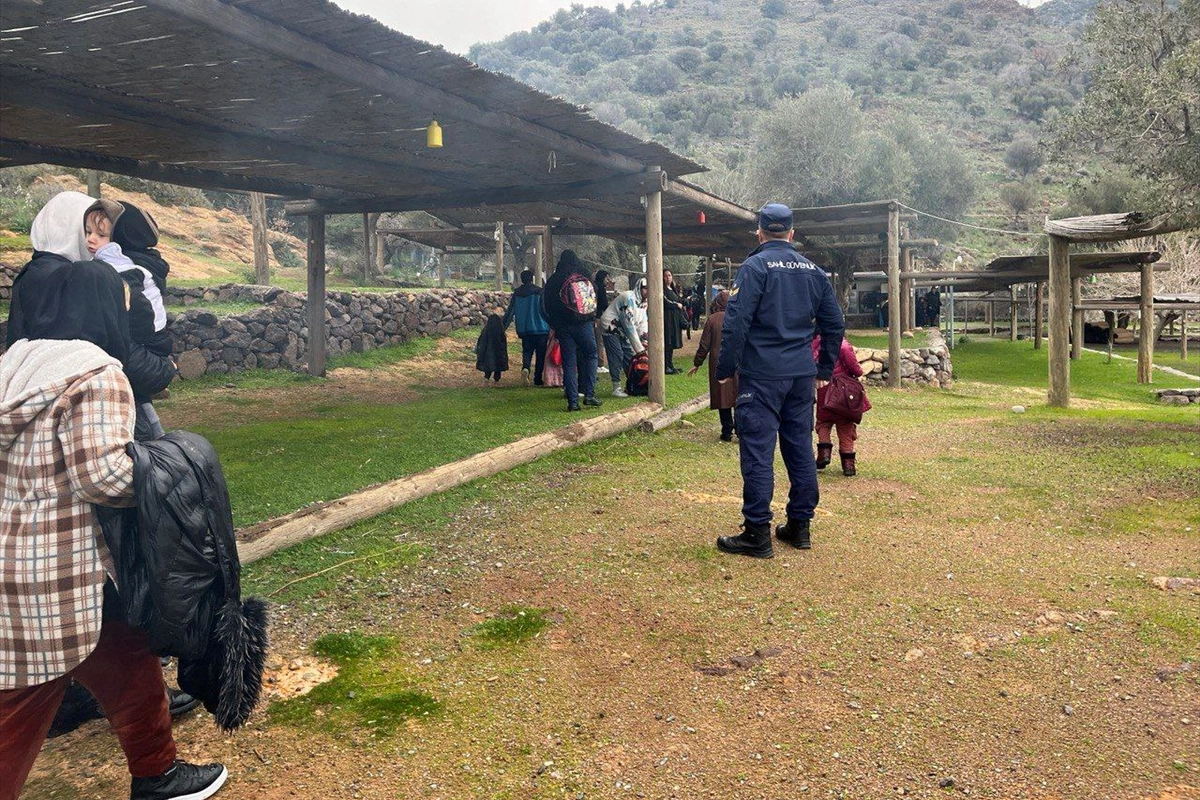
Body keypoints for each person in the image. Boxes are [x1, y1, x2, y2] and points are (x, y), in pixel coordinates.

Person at [0, 260, 228, 800]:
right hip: (64, 568)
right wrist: (171, 467)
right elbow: (102, 477)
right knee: (18, 706)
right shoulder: (97, 372)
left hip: (21, 557)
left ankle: (158, 774)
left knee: (128, 654)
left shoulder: (14, 365)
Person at [713, 203, 845, 558]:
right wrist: (823, 369)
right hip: (801, 376)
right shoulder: (814, 271)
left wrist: (725, 368)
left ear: (759, 231)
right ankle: (799, 527)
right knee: (799, 447)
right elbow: (835, 324)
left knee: (757, 449)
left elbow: (736, 322)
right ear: (791, 233)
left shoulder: (755, 266)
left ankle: (757, 532)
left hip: (761, 375)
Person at [542, 250, 601, 412]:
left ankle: (573, 402)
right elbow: (594, 295)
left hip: (563, 327)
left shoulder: (554, 279)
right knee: (591, 355)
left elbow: (546, 304)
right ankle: (589, 394)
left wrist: (554, 324)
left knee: (569, 362)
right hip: (584, 324)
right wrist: (592, 317)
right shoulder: (583, 273)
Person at [688, 290, 736, 441]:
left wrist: (697, 363)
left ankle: (727, 430)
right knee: (738, 395)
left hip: (719, 362)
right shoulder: (737, 317)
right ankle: (741, 431)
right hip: (737, 362)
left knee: (723, 396)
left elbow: (704, 345)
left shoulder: (712, 320)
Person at [813, 334, 864, 476]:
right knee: (845, 423)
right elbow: (850, 359)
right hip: (843, 389)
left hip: (824, 385)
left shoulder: (814, 343)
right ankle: (848, 465)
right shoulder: (840, 342)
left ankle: (824, 455)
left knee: (823, 421)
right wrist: (858, 372)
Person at [502, 269, 551, 386]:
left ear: (521, 279)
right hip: (541, 328)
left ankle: (526, 368)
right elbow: (545, 310)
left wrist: (502, 327)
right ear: (532, 278)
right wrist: (551, 323)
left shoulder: (517, 293)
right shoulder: (539, 292)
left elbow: (510, 312)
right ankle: (538, 378)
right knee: (540, 354)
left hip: (524, 329)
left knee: (527, 351)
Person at [594, 270, 630, 398]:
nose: (608, 280)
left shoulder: (597, 287)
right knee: (610, 349)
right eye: (607, 277)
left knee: (624, 350)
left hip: (606, 320)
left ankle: (631, 380)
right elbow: (602, 304)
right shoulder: (600, 289)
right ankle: (601, 365)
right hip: (603, 321)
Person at [475, 312, 509, 384]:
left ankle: (486, 378)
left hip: (487, 354)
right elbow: (504, 344)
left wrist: (479, 352)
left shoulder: (486, 331)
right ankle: (497, 380)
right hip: (499, 353)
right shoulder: (501, 332)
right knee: (498, 367)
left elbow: (481, 342)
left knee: (488, 367)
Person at [662, 269, 685, 373]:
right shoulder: (662, 290)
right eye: (666, 275)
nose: (668, 277)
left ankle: (670, 365)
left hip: (674, 320)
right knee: (667, 342)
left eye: (670, 275)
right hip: (667, 320)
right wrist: (676, 305)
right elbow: (665, 302)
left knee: (671, 343)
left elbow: (678, 300)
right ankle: (665, 366)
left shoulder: (672, 289)